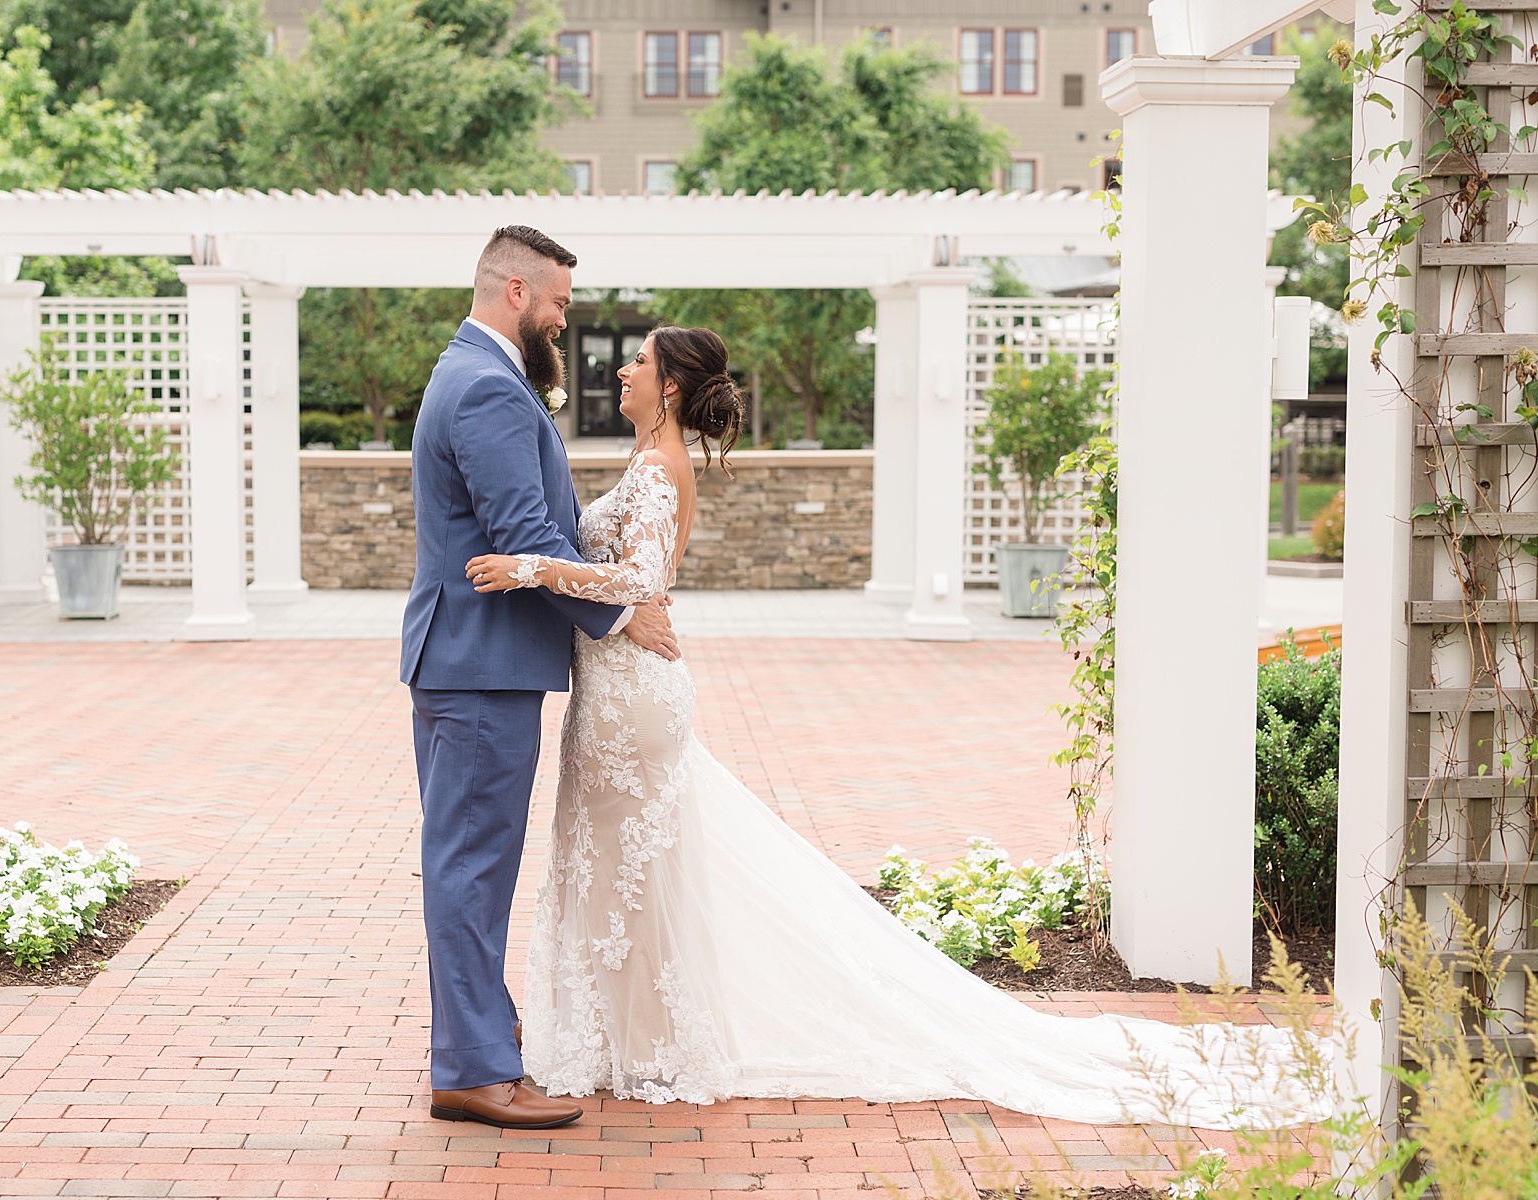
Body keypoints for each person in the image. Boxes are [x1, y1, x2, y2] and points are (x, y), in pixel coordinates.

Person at [463, 326, 1334, 1129]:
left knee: (634, 872)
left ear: (673, 387)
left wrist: (526, 566)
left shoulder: (658, 471)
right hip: (616, 690)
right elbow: (633, 581)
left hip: (632, 704)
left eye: (639, 362)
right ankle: (619, 1044)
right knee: (616, 868)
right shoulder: (649, 458)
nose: (622, 369)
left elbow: (639, 575)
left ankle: (648, 1054)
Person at [401, 225, 679, 1131]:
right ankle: (476, 1069)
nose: (564, 321)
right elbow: (524, 531)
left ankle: (477, 1045)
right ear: (516, 292)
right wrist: (622, 612)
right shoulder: (486, 388)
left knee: (467, 864)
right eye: (559, 303)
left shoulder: (476, 375)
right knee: (473, 868)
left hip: (470, 661)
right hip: (481, 668)